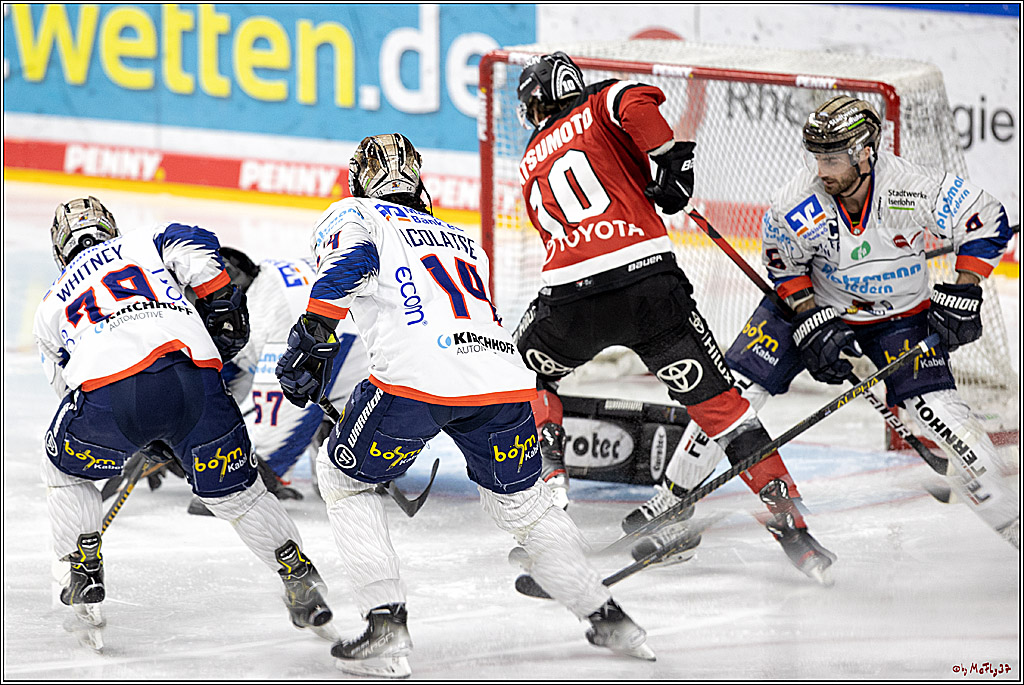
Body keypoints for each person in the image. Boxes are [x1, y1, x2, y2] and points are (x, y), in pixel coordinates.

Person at [275, 134, 656, 678]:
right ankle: (609, 616)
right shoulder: (458, 236)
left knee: (344, 480)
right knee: (524, 508)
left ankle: (386, 625)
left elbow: (348, 269)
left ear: (363, 177)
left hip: (414, 381)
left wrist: (311, 339)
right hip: (501, 378)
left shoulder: (355, 213)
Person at [632, 96, 1019, 549]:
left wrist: (966, 288)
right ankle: (671, 500)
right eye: (817, 157)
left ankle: (1012, 527)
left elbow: (987, 217)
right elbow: (786, 269)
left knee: (944, 418)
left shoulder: (912, 187)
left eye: (832, 158)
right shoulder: (795, 201)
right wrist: (809, 318)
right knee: (730, 393)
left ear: (864, 153)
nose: (822, 169)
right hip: (814, 307)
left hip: (899, 318)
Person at [512, 51, 834, 581]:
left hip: (571, 300)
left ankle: (550, 513)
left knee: (520, 371)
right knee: (726, 411)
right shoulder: (600, 101)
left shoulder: (529, 159)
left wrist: (657, 174)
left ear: (536, 103)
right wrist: (669, 161)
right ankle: (794, 531)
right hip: (649, 288)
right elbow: (637, 100)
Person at [34, 197, 336, 651]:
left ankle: (82, 566)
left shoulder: (50, 302)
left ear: (60, 248)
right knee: (239, 495)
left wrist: (135, 437)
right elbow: (195, 241)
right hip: (196, 381)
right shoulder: (144, 241)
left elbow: (66, 391)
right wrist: (221, 298)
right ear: (109, 229)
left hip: (111, 393)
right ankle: (297, 574)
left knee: (64, 470)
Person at [186, 247, 370, 515]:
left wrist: (247, 478)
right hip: (383, 347)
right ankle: (348, 431)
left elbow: (285, 409)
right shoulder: (265, 281)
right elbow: (224, 372)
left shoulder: (271, 315)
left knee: (303, 388)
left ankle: (348, 431)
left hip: (370, 360)